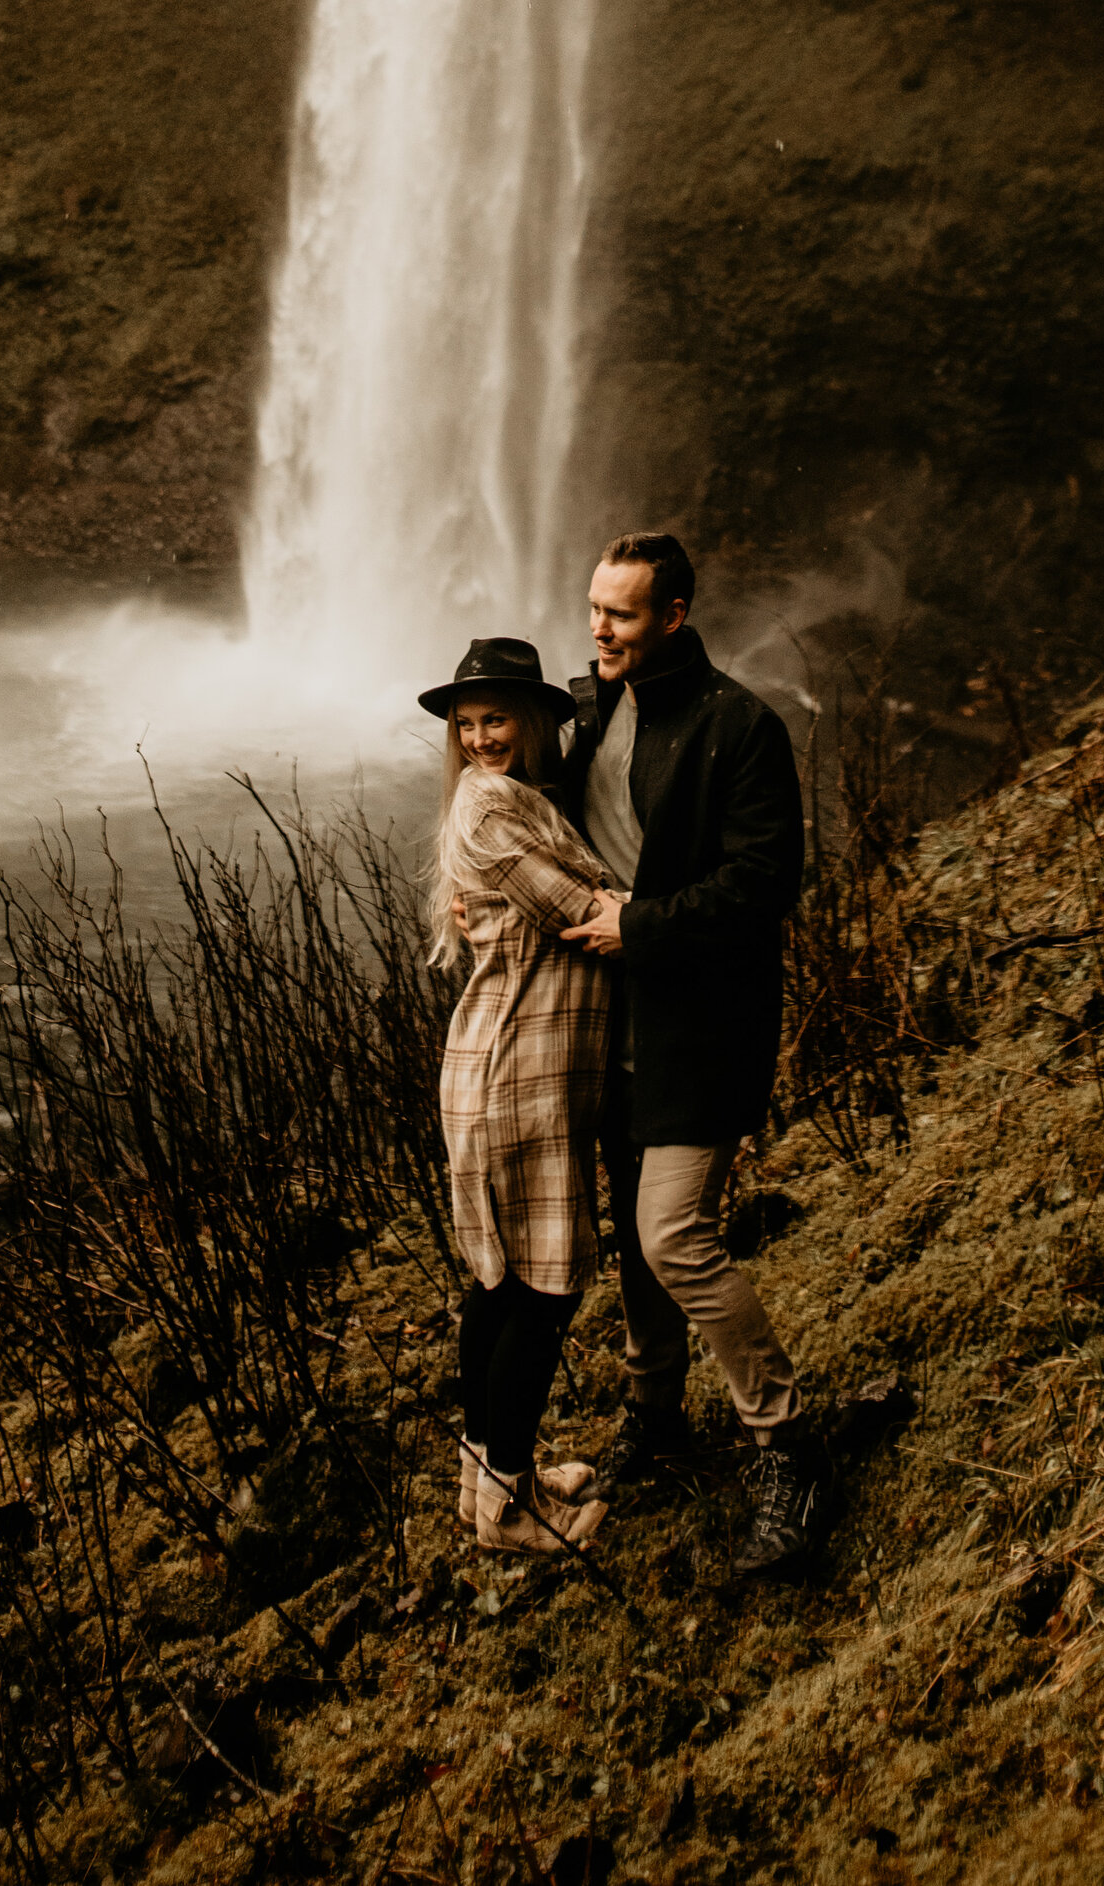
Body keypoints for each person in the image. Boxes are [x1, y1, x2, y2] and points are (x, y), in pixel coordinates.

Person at [558, 532, 829, 1575]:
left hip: (700, 1025)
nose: (598, 629)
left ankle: (782, 1442)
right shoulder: (588, 715)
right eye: (592, 609)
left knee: (673, 1235)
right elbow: (519, 801)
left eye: (620, 615)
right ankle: (655, 1413)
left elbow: (764, 886)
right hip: (603, 1025)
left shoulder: (740, 728)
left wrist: (643, 927)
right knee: (631, 1236)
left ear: (673, 615)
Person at [424, 633, 619, 1558]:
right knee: (542, 1292)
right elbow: (584, 913)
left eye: (494, 719)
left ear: (535, 720)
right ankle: (510, 1512)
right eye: (466, 726)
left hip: (508, 1066)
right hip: (517, 1073)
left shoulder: (519, 799)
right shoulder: (497, 814)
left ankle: (488, 1484)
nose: (477, 739)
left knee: (499, 1286)